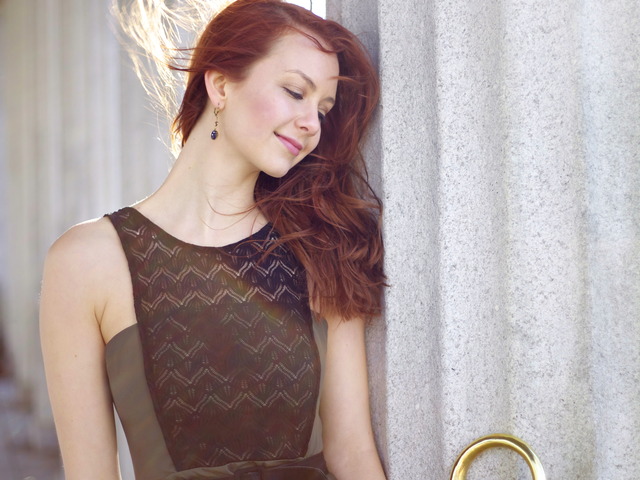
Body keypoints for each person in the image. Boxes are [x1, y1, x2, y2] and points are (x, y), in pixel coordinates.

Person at [39, 1, 386, 479]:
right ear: (221, 84)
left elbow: (353, 453)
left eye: (323, 110)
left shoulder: (322, 248)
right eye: (295, 92)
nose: (312, 124)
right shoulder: (85, 263)